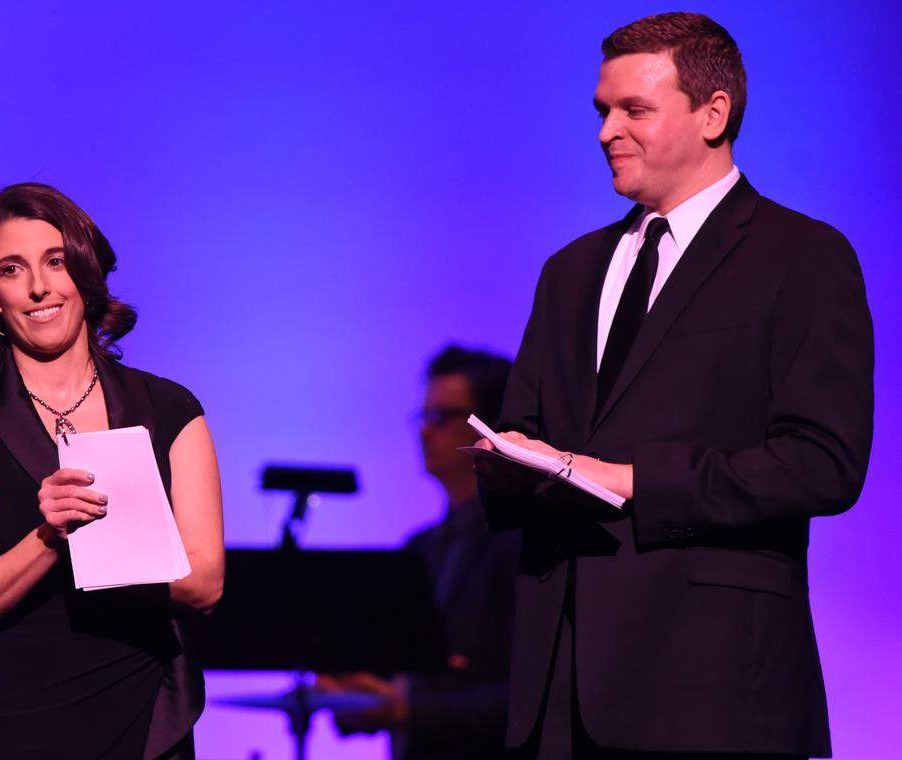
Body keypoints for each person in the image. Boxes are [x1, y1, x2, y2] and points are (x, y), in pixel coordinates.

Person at [475, 12, 873, 760]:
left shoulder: (802, 256)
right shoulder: (570, 271)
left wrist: (630, 480)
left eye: (635, 110)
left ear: (713, 114)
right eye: (602, 111)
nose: (606, 132)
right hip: (560, 690)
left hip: (711, 689)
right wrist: (508, 465)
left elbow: (823, 462)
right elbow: (531, 431)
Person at [0, 183, 224, 759]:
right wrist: (48, 537)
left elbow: (205, 584)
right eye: (13, 269)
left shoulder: (173, 410)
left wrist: (111, 539)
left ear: (85, 269)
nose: (39, 286)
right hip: (11, 726)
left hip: (145, 718)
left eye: (55, 261)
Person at [321, 345, 520, 759]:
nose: (425, 431)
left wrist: (408, 708)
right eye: (423, 417)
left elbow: (530, 697)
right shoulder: (420, 549)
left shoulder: (519, 546)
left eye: (442, 417)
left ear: (490, 431)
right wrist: (352, 692)